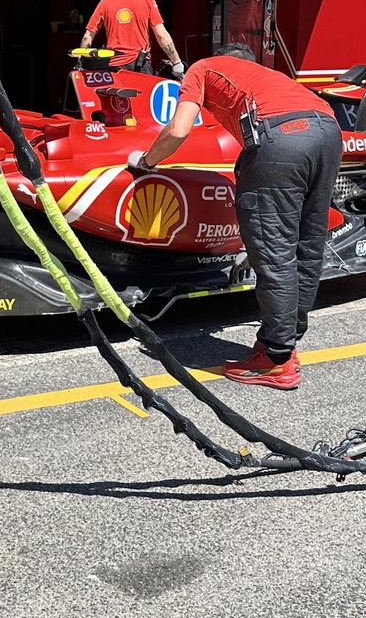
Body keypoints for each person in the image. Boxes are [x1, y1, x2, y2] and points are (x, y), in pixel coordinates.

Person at [127, 44, 339, 390]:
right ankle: (284, 342)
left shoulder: (203, 67)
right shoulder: (268, 76)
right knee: (306, 246)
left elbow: (179, 129)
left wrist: (146, 162)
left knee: (274, 251)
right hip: (328, 131)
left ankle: (276, 360)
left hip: (282, 138)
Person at [80, 0, 184, 75]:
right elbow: (161, 34)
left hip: (114, 65)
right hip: (140, 64)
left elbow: (87, 36)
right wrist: (176, 62)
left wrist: (80, 64)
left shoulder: (104, 2)